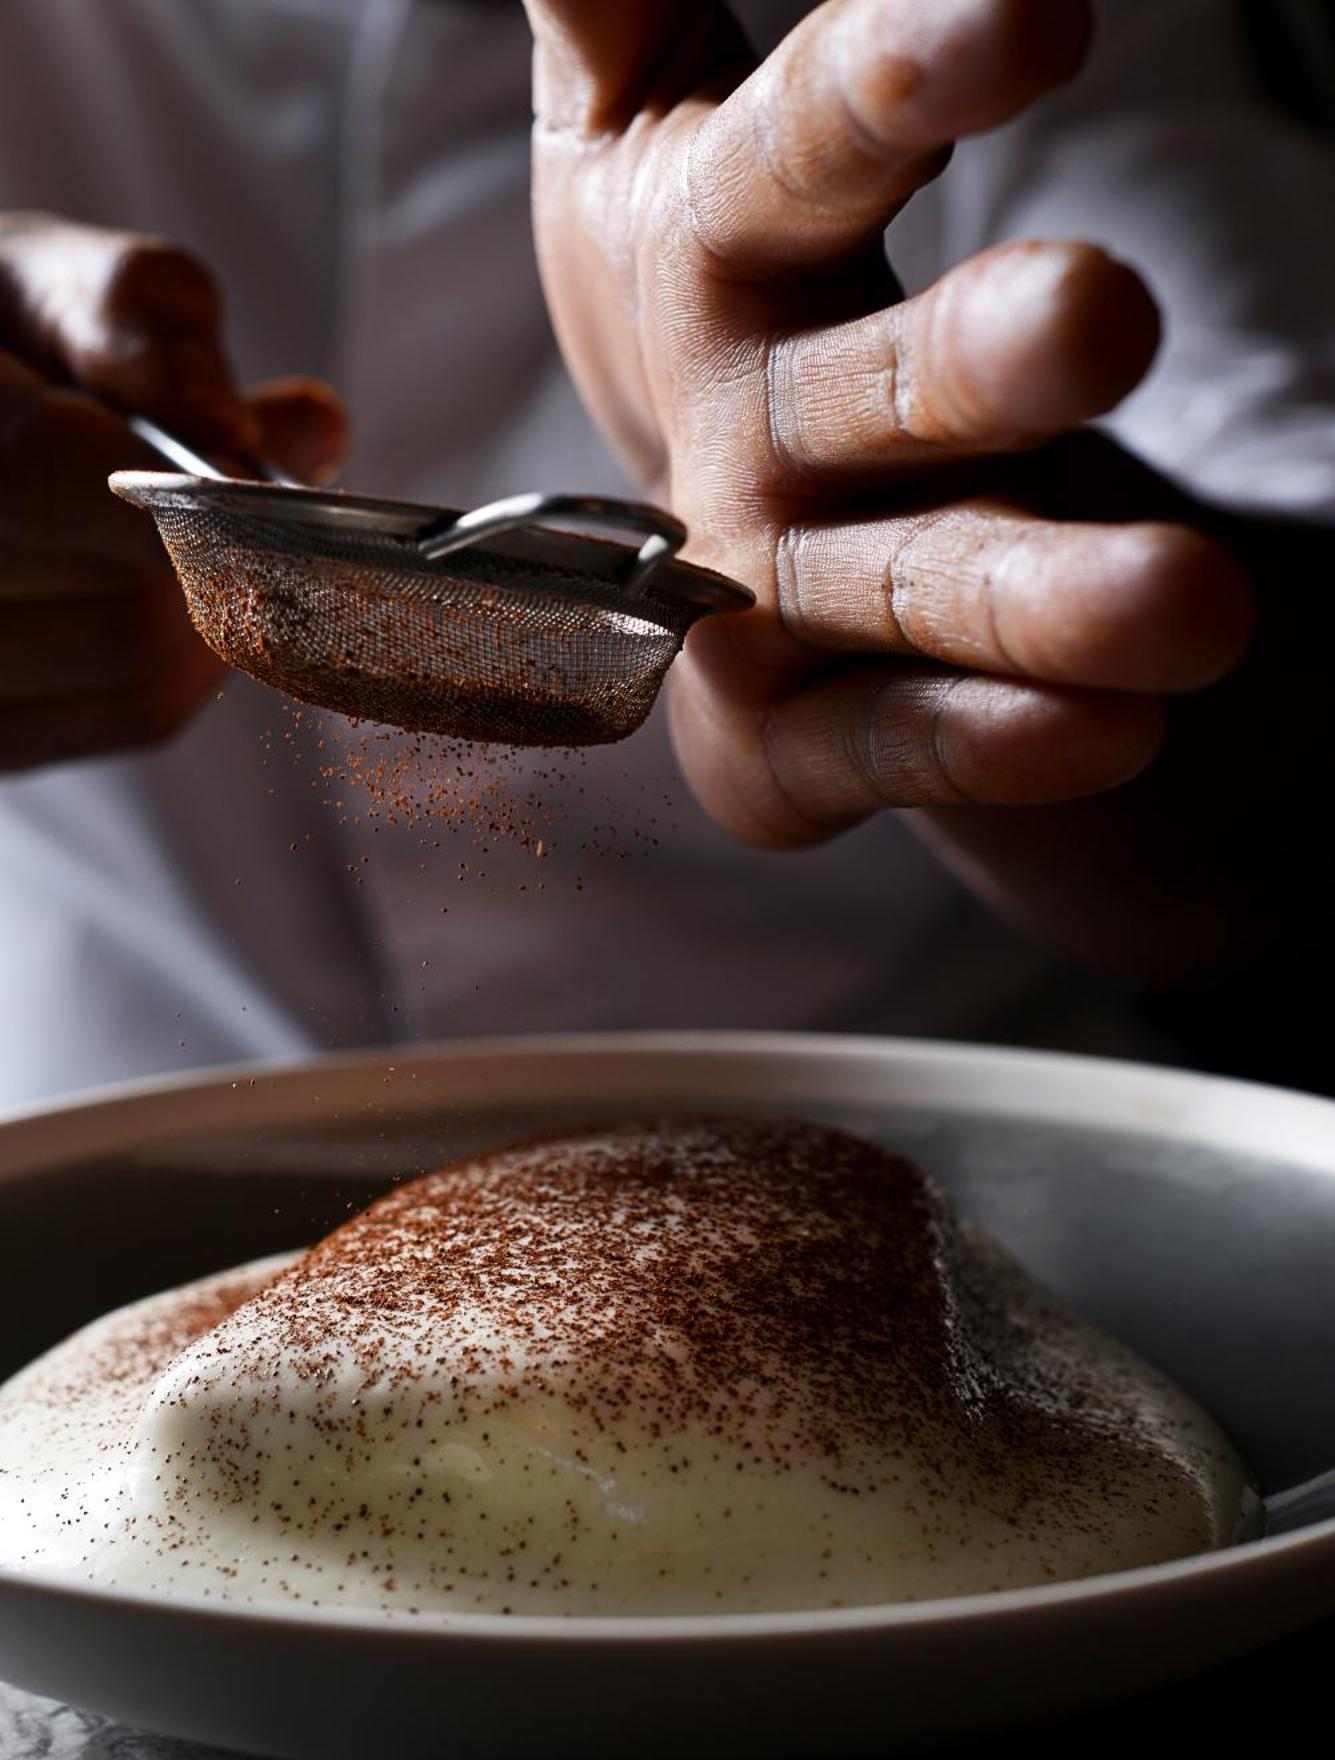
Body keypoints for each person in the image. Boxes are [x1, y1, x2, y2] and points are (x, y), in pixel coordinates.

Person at [0, 0, 1332, 1110]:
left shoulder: (1036, 41)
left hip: (892, 1180)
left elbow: (1282, 827)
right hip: (97, 1168)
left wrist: (934, 528)